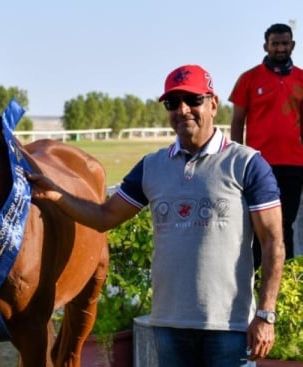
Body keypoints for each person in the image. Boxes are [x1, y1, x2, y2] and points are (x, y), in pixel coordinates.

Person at [28, 65, 285, 365]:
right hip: (168, 326)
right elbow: (104, 216)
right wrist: (57, 194)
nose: (183, 110)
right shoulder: (152, 166)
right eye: (172, 103)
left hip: (229, 328)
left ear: (213, 104)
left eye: (193, 100)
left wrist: (266, 315)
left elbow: (273, 243)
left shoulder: (247, 164)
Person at [229, 23, 303, 269]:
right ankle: (257, 276)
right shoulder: (249, 79)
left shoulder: (301, 79)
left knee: (286, 224)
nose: (280, 48)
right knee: (258, 222)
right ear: (266, 46)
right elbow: (238, 122)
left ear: (292, 45)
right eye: (275, 44)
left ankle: (286, 278)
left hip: (294, 164)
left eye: (285, 43)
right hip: (258, 165)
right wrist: (237, 159)